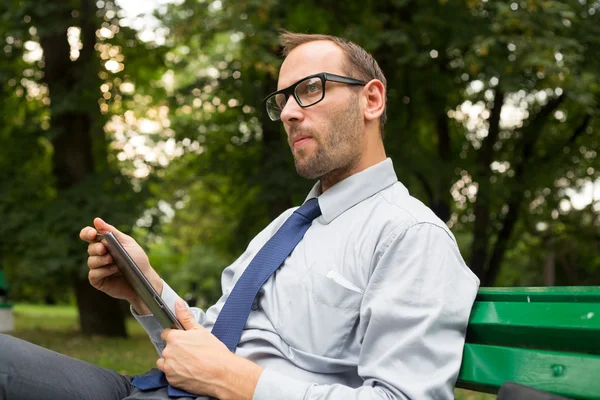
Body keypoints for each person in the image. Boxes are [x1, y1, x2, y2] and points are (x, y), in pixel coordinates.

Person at [0, 31, 479, 400]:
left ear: (371, 99)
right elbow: (211, 343)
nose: (290, 112)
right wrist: (145, 290)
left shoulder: (410, 236)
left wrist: (241, 383)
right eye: (283, 99)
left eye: (310, 89)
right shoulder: (287, 225)